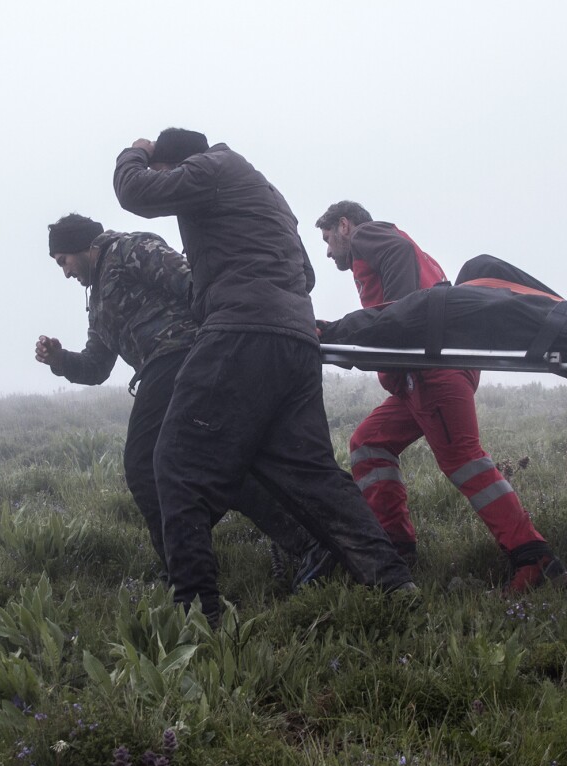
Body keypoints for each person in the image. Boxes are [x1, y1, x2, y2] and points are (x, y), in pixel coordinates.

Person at [112, 129, 414, 624]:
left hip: (240, 334)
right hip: (294, 339)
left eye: (168, 174)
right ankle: (394, 582)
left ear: (178, 163)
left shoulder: (211, 168)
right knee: (313, 474)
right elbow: (307, 275)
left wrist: (137, 152)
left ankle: (196, 614)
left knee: (173, 463)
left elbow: (134, 192)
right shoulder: (266, 193)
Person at [37, 214, 332, 590]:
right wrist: (61, 360)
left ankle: (183, 572)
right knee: (219, 467)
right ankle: (306, 543)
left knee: (143, 464)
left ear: (84, 246)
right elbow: (96, 366)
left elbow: (194, 284)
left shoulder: (131, 248)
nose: (64, 272)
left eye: (63, 260)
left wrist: (230, 342)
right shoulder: (97, 302)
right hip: (161, 367)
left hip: (185, 356)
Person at [315, 201, 567, 593]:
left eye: (328, 238)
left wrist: (400, 317)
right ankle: (396, 549)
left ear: (345, 226)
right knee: (369, 443)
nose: (328, 250)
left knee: (464, 460)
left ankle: (534, 559)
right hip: (424, 375)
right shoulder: (395, 255)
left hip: (432, 373)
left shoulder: (370, 236)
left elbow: (400, 306)